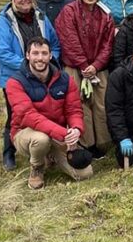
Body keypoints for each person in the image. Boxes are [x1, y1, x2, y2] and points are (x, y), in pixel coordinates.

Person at [0, 0, 61, 171]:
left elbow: (54, 43)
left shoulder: (41, 16)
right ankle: (9, 154)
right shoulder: (4, 21)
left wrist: (50, 60)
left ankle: (47, 152)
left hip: (43, 74)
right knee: (15, 115)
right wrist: (29, 65)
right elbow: (3, 51)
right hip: (15, 78)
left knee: (44, 111)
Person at [6, 37, 93, 189]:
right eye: (35, 53)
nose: (40, 58)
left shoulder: (65, 79)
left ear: (50, 55)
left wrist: (76, 129)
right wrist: (63, 134)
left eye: (44, 53)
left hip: (58, 135)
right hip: (26, 133)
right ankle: (37, 167)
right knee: (41, 139)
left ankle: (51, 156)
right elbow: (29, 116)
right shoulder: (15, 83)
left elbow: (74, 109)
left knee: (85, 174)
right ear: (27, 55)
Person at [55, 0, 115, 157]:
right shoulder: (69, 11)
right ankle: (85, 143)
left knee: (101, 104)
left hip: (98, 69)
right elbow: (69, 40)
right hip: (75, 67)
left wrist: (95, 66)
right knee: (79, 105)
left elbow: (108, 44)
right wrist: (83, 65)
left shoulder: (105, 14)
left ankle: (103, 144)